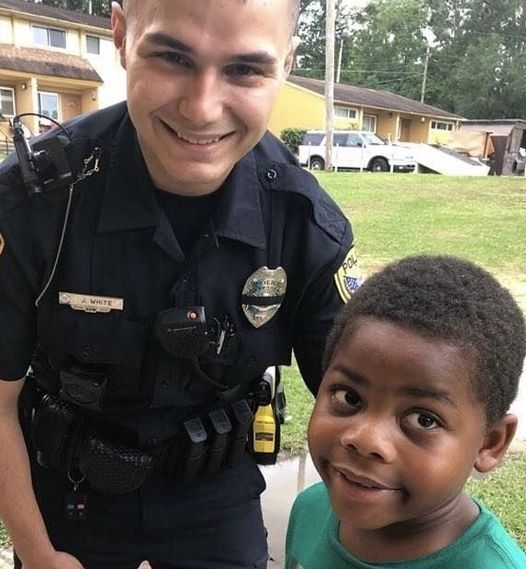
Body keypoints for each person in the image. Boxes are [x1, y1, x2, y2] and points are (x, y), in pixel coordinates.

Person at [0, 1, 358, 568]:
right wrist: (37, 553)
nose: (201, 107)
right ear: (120, 35)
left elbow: (367, 410)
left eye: (244, 70)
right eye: (172, 56)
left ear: (287, 65)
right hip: (66, 491)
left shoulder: (301, 222)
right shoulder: (33, 205)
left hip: (215, 493)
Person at [286, 255, 526, 569]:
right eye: (350, 397)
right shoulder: (311, 509)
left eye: (423, 419)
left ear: (490, 442)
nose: (366, 439)